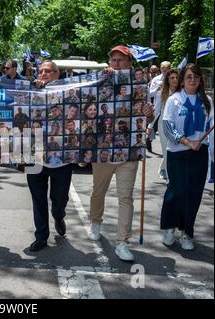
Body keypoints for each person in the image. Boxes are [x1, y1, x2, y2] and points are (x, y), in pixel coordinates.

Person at [87, 45, 153, 262]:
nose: (116, 64)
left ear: (129, 64)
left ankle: (122, 242)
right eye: (113, 60)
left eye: (121, 60)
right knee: (99, 191)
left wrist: (149, 115)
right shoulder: (99, 80)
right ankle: (95, 222)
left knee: (126, 197)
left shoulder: (140, 84)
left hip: (129, 151)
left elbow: (146, 118)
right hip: (104, 148)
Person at [160, 63, 213, 250]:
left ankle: (187, 232)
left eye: (196, 77)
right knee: (176, 191)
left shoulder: (207, 101)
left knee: (194, 194)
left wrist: (203, 143)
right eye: (189, 77)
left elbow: (211, 127)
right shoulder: (174, 100)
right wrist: (186, 142)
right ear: (182, 80)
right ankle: (169, 227)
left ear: (200, 80)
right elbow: (167, 127)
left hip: (199, 154)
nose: (193, 80)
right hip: (177, 153)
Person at [26, 60, 72, 252]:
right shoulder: (30, 91)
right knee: (38, 197)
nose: (44, 74)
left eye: (48, 71)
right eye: (41, 71)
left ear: (57, 73)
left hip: (62, 157)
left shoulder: (70, 90)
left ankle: (59, 214)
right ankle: (41, 236)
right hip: (34, 155)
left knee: (58, 197)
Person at [148, 69, 180, 180]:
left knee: (175, 150)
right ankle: (170, 179)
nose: (175, 80)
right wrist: (150, 127)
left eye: (176, 77)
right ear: (168, 80)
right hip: (164, 125)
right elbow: (156, 111)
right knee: (167, 150)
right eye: (172, 78)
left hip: (179, 125)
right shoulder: (161, 93)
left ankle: (163, 168)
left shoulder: (183, 92)